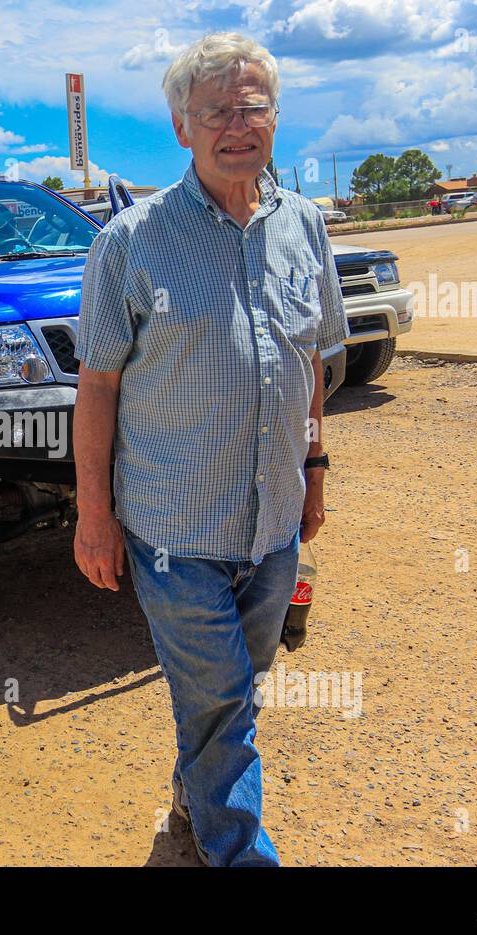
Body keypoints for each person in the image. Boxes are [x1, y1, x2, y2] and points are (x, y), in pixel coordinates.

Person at [72, 32, 348, 866]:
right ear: (182, 126)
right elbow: (99, 388)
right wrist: (93, 516)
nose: (237, 124)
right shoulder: (131, 239)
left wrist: (315, 471)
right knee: (224, 703)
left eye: (252, 107)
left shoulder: (303, 226)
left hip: (271, 526)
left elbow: (309, 365)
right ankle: (238, 853)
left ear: (276, 119)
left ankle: (192, 802)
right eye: (215, 110)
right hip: (173, 530)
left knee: (229, 696)